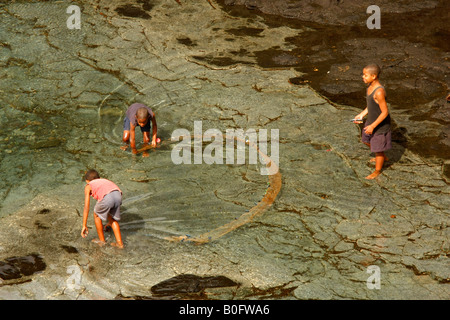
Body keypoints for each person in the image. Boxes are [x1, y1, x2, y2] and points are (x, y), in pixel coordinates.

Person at [354, 64, 392, 180]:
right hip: (371, 122)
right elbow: (370, 106)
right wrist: (361, 114)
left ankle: (377, 170)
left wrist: (373, 126)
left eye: (365, 75)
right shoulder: (369, 87)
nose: (363, 77)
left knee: (378, 150)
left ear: (374, 76)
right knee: (365, 140)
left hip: (379, 126)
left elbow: (385, 112)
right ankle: (381, 155)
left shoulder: (379, 92)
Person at [81, 169, 124, 248]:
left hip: (108, 197)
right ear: (99, 177)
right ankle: (120, 244)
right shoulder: (104, 180)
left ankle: (102, 241)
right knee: (113, 219)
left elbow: (86, 207)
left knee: (96, 214)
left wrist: (84, 225)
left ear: (87, 181)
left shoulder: (89, 185)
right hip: (118, 194)